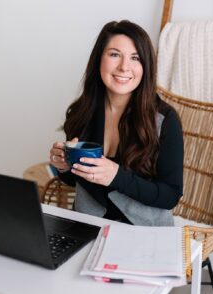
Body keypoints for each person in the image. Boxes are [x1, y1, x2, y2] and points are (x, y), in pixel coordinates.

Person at [49, 20, 183, 226]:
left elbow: (170, 196)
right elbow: (74, 181)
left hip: (144, 233)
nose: (124, 67)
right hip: (87, 227)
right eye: (114, 54)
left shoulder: (165, 119)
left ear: (146, 66)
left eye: (135, 58)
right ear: (98, 60)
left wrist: (116, 177)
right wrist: (64, 166)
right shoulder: (80, 112)